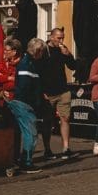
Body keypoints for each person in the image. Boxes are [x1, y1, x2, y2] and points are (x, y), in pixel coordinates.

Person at [0, 36, 37, 172]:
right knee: (7, 129)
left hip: (15, 100)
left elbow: (17, 84)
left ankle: (16, 158)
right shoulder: (3, 64)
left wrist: (5, 83)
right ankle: (8, 157)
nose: (4, 52)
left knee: (17, 130)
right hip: (3, 102)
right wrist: (8, 78)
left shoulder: (20, 64)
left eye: (7, 50)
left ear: (15, 51)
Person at [39, 27, 76, 159]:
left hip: (63, 89)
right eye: (58, 38)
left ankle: (66, 148)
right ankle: (47, 149)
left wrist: (68, 55)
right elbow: (38, 71)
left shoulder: (62, 49)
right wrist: (41, 90)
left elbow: (73, 66)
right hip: (48, 92)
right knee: (48, 121)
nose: (61, 41)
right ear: (51, 37)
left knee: (65, 118)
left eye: (62, 38)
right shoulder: (43, 50)